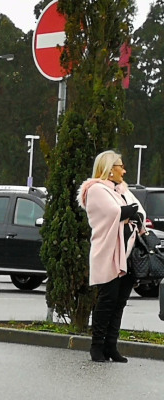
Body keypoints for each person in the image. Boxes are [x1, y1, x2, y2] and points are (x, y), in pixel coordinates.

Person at [78, 150, 146, 363]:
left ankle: (111, 346)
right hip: (108, 254)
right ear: (109, 170)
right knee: (107, 301)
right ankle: (96, 346)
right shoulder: (96, 189)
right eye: (120, 167)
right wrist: (129, 212)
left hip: (127, 253)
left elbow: (139, 212)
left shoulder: (122, 189)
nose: (124, 171)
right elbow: (114, 213)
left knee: (120, 302)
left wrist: (130, 212)